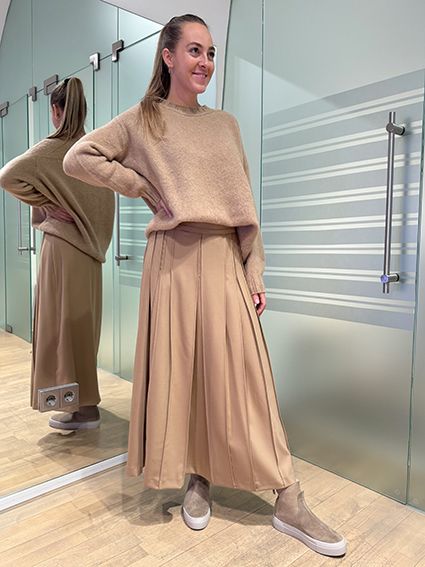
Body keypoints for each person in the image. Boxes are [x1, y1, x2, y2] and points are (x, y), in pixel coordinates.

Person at [63, 15, 347, 556]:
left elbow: (245, 205)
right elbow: (80, 157)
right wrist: (136, 183)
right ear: (168, 56)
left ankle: (288, 497)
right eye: (195, 50)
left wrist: (253, 268)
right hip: (171, 257)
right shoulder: (143, 119)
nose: (205, 62)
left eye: (211, 53)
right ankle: (198, 476)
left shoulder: (225, 125)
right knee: (184, 372)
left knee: (246, 377)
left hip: (222, 256)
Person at [0, 77, 115, 430]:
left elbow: (7, 176)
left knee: (59, 330)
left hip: (62, 250)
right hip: (90, 255)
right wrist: (63, 207)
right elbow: (106, 203)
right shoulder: (93, 151)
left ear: (55, 110)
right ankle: (85, 404)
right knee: (81, 331)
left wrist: (47, 202)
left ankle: (80, 409)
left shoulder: (52, 151)